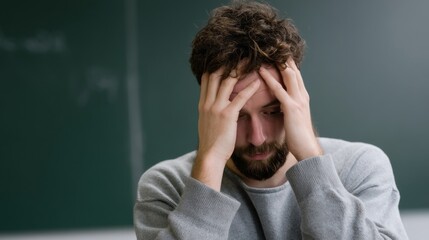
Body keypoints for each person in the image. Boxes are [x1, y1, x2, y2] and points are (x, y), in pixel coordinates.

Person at [134, 1, 409, 239]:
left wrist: (313, 162)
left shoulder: (359, 168)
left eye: (272, 111)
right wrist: (210, 164)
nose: (257, 137)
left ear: (297, 101)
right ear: (208, 111)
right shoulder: (167, 186)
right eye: (237, 115)